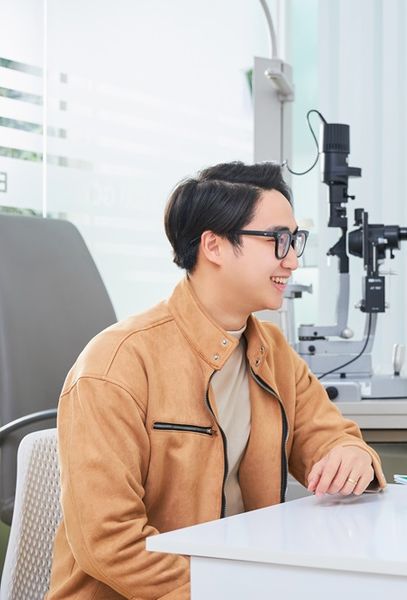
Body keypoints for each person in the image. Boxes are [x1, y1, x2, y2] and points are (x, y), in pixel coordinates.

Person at [48, 162, 386, 599]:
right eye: (278, 240)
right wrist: (229, 588)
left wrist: (350, 455)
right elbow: (109, 542)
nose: (293, 260)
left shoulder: (273, 351)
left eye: (295, 240)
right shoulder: (116, 364)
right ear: (214, 246)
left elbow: (328, 436)